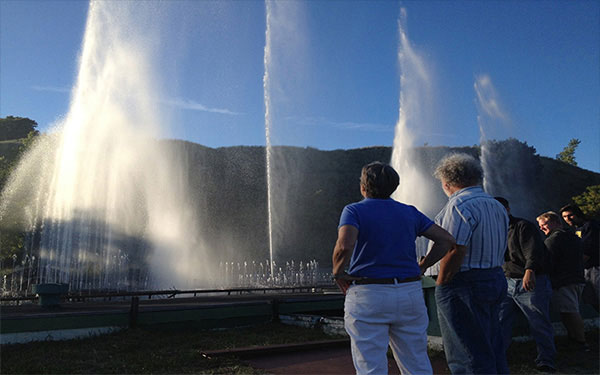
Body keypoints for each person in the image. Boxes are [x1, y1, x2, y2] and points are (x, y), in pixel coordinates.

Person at [332, 161, 455, 375]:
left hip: (368, 292)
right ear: (394, 187)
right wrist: (423, 266)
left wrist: (337, 272)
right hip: (409, 291)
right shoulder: (410, 212)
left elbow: (345, 245)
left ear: (363, 187)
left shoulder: (353, 210)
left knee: (370, 364)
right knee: (416, 360)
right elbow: (446, 239)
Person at [423, 153, 509, 374]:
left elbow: (455, 248)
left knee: (466, 351)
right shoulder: (496, 205)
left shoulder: (459, 205)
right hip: (495, 278)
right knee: (491, 344)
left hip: (464, 283)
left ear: (446, 182)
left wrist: (442, 282)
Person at [495, 197, 556, 373]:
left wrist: (530, 271)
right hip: (507, 281)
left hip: (531, 281)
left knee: (538, 322)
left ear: (507, 209)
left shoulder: (523, 226)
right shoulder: (496, 229)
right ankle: (500, 357)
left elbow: (534, 250)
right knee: (500, 321)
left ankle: (546, 359)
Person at [536, 211, 589, 351]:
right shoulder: (572, 235)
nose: (541, 228)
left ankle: (581, 343)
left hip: (563, 281)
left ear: (555, 223)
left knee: (570, 311)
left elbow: (546, 260)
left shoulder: (554, 238)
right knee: (568, 311)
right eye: (540, 226)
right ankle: (574, 339)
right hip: (576, 278)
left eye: (544, 224)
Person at [559, 203, 600, 311]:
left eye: (570, 215)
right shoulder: (577, 230)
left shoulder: (590, 225)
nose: (568, 219)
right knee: (591, 299)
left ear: (578, 214)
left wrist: (574, 266)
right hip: (586, 269)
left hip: (595, 267)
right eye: (564, 217)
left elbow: (589, 249)